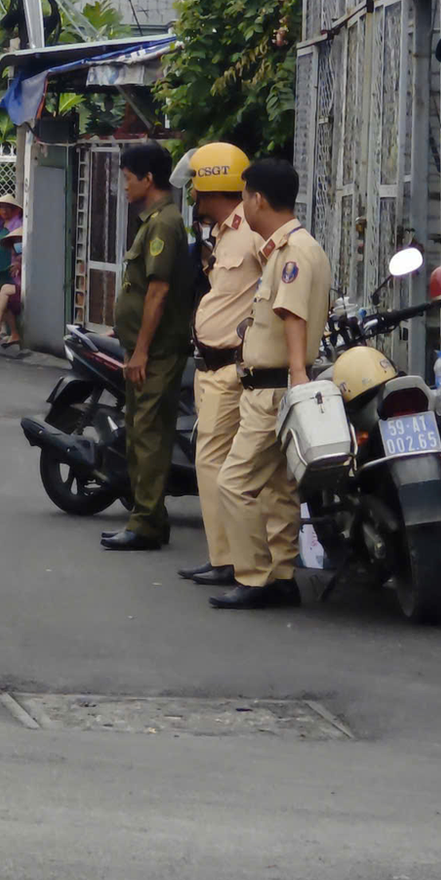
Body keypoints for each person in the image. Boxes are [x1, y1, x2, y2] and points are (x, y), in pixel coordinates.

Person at [208, 157, 331, 612]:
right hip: (276, 385)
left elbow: (292, 315)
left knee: (235, 481)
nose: (244, 206)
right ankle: (280, 574)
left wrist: (297, 377)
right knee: (279, 487)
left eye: (244, 196)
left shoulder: (292, 252)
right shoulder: (292, 247)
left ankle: (254, 577)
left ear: (257, 198)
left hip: (275, 388)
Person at [100, 141, 197, 553]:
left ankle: (145, 523)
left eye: (127, 178)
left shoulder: (163, 224)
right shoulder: (156, 220)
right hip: (145, 349)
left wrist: (140, 351)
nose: (123, 186)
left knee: (150, 436)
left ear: (148, 179)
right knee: (139, 431)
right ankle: (148, 520)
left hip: (156, 352)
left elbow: (157, 292)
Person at [176, 142, 255, 590]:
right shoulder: (223, 233)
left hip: (232, 368)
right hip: (210, 366)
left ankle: (228, 559)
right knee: (213, 463)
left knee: (219, 464)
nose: (194, 201)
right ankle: (223, 555)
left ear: (212, 186)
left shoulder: (253, 233)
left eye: (198, 191)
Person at [0, 193, 24, 345]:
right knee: (6, 300)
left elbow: (20, 247)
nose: (5, 211)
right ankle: (12, 333)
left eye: (9, 208)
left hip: (12, 266)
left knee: (10, 299)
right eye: (2, 208)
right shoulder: (0, 225)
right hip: (2, 266)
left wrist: (19, 262)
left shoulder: (18, 225)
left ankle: (12, 331)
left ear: (14, 210)